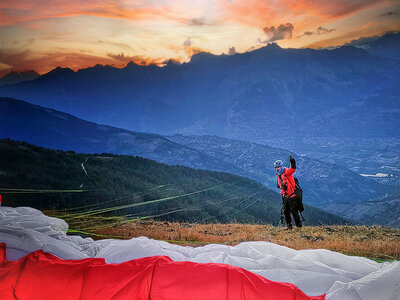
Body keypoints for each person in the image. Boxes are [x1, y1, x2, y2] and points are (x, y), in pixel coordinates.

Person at [274, 155, 301, 229]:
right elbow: (280, 184)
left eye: (278, 167)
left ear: (281, 166)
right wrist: (279, 186)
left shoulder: (287, 172)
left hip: (292, 195)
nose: (277, 169)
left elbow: (293, 168)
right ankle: (289, 226)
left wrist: (292, 161)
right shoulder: (279, 175)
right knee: (286, 211)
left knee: (294, 211)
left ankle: (299, 226)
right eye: (276, 168)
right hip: (285, 196)